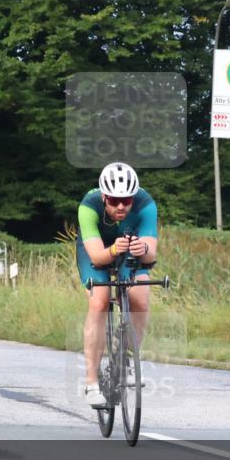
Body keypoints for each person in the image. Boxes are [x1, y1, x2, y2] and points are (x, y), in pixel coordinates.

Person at [76, 163, 158, 407]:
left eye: (126, 200)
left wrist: (142, 249)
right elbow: (98, 258)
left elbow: (150, 255)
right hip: (98, 251)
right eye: (113, 200)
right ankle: (91, 382)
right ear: (104, 196)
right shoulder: (89, 206)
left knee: (140, 299)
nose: (121, 206)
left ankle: (126, 355)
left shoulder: (145, 204)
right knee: (99, 302)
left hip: (129, 250)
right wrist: (113, 249)